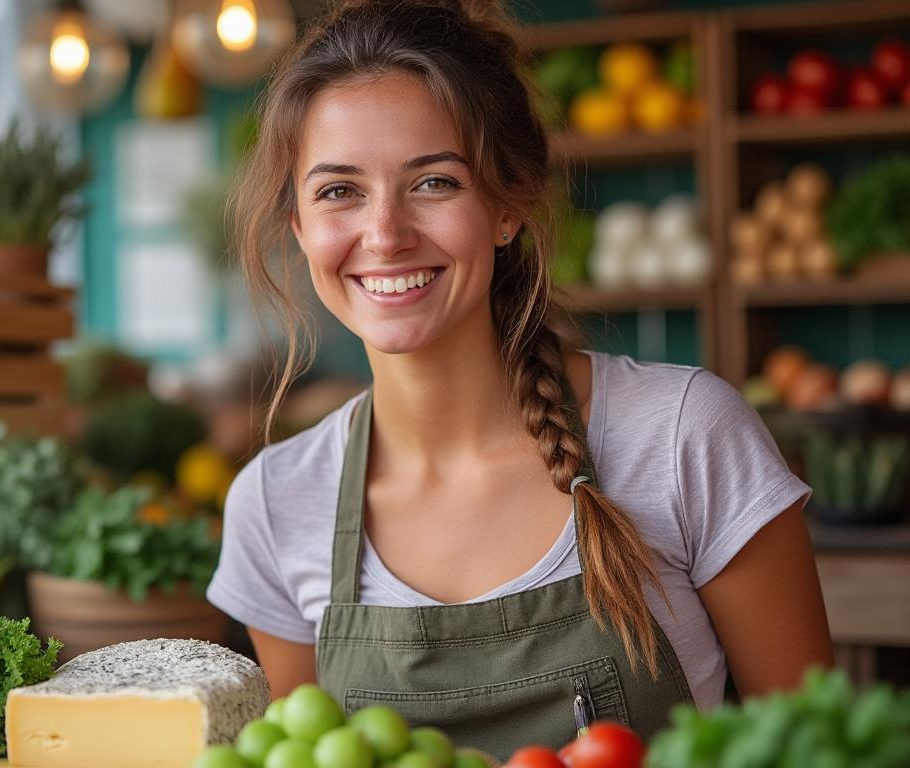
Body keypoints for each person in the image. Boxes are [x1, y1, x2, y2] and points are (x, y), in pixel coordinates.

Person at [206, 0, 833, 756]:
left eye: (434, 183)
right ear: (300, 227)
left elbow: (816, 749)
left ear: (507, 205)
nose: (386, 235)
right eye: (339, 191)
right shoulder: (275, 506)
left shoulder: (682, 435)